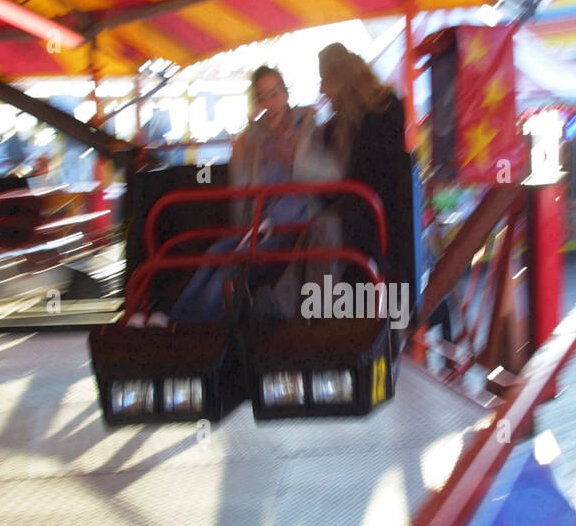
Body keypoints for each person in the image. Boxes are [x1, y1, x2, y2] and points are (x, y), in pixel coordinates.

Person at [135, 67, 328, 326]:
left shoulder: (307, 124)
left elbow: (329, 173)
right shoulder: (252, 138)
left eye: (275, 94)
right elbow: (244, 191)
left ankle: (184, 324)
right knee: (216, 252)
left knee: (237, 263)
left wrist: (296, 156)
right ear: (257, 102)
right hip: (262, 223)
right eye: (263, 97)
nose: (271, 103)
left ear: (285, 93)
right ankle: (169, 314)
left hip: (297, 224)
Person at [312, 43, 415, 304]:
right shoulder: (339, 127)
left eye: (325, 81)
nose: (323, 91)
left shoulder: (382, 116)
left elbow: (375, 185)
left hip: (381, 241)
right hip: (369, 239)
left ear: (342, 80)